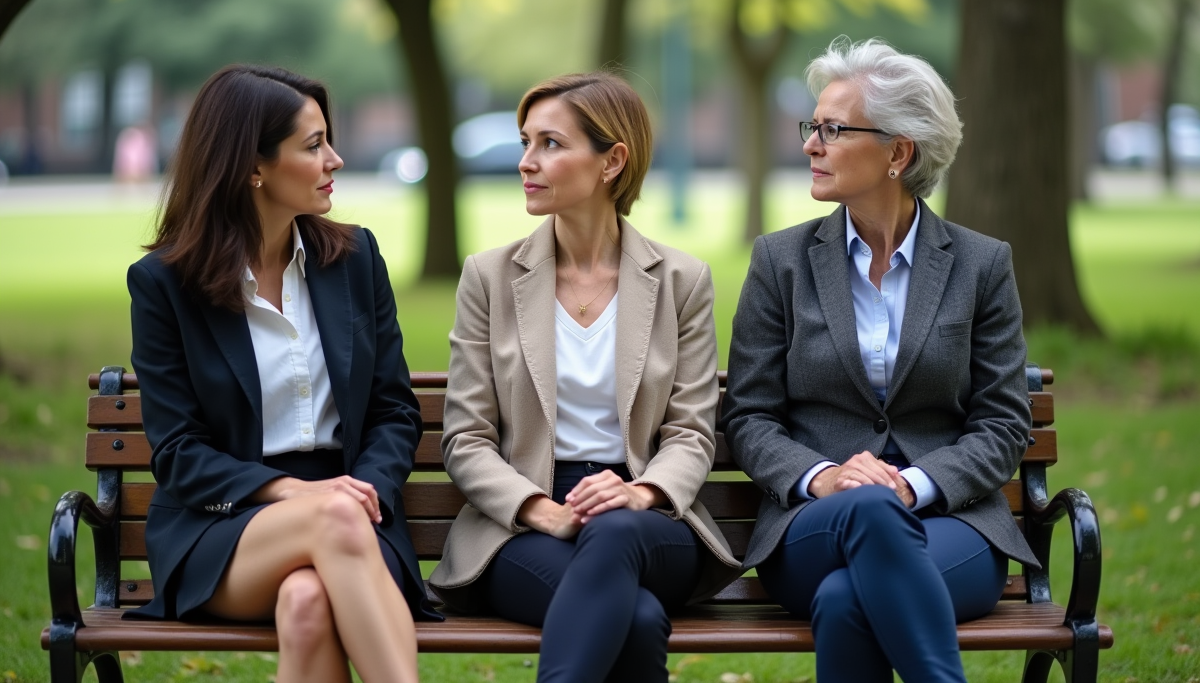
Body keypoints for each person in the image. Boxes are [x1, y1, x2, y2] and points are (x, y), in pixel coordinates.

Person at [719, 38, 1040, 683]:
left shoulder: (980, 265)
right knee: (864, 512)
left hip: (952, 523)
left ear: (899, 152)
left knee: (846, 602)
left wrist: (909, 484)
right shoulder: (780, 262)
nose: (811, 143)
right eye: (812, 127)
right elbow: (749, 416)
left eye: (832, 130)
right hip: (813, 523)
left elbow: (1004, 425)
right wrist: (826, 477)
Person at [125, 65, 438, 683]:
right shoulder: (165, 284)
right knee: (332, 519)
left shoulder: (355, 259)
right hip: (223, 526)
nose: (336, 160)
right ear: (253, 166)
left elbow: (394, 410)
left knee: (305, 604)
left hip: (356, 509)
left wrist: (365, 489)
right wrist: (296, 493)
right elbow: (180, 452)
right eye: (314, 144)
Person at [429, 72, 740, 683]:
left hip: (652, 517)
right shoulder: (489, 277)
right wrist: (538, 510)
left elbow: (691, 433)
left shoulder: (681, 280)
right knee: (640, 618)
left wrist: (641, 493)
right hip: (522, 523)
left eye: (550, 144)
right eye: (526, 142)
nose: (526, 162)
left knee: (621, 533)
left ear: (611, 161)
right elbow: (465, 437)